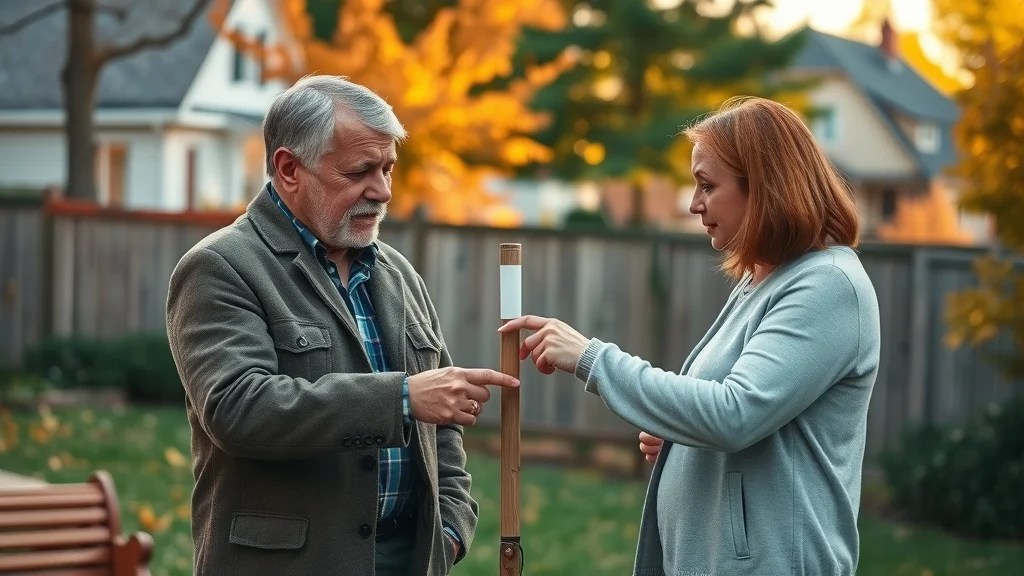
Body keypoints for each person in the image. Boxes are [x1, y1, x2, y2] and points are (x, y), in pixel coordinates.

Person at [499, 96, 881, 576]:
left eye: (707, 185)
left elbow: (734, 413)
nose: (693, 203)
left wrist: (593, 359)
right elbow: (740, 415)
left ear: (763, 187)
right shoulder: (765, 279)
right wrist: (681, 436)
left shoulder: (828, 285)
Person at [166, 75, 519, 576]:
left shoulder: (397, 274)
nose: (382, 190)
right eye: (359, 171)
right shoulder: (221, 267)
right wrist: (399, 398)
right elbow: (237, 407)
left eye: (388, 168)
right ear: (289, 169)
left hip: (408, 559)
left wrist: (451, 527)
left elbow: (441, 427)